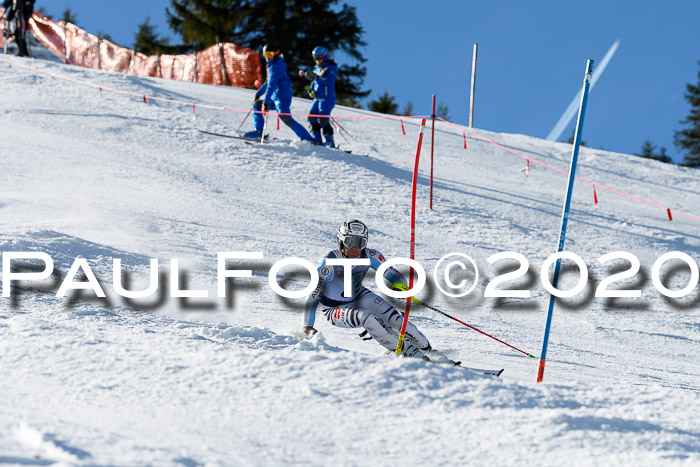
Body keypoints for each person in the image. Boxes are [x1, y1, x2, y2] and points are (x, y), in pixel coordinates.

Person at [303, 219, 432, 359]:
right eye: (350, 241)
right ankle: (405, 351)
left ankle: (427, 349)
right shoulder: (329, 262)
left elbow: (393, 274)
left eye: (360, 243)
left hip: (360, 296)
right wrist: (307, 325)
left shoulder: (371, 256)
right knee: (367, 318)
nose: (355, 248)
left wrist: (401, 288)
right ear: (340, 241)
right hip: (334, 308)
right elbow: (313, 296)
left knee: (397, 320)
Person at [243, 43, 312, 142]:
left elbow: (271, 86)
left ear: (275, 54)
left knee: (286, 118)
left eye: (270, 54)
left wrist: (266, 103)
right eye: (265, 54)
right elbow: (267, 82)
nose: (267, 57)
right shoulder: (271, 65)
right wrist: (258, 94)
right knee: (256, 105)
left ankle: (308, 139)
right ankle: (258, 131)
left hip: (282, 98)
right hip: (275, 97)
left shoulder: (276, 67)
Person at [298, 46, 337, 147]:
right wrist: (311, 90)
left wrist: (316, 78)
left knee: (323, 118)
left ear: (325, 56)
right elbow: (314, 82)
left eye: (320, 57)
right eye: (315, 58)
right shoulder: (316, 69)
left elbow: (329, 81)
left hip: (327, 98)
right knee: (311, 117)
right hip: (317, 98)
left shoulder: (331, 67)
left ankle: (330, 142)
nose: (317, 60)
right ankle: (317, 140)